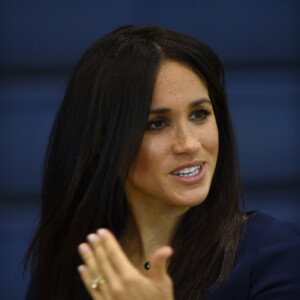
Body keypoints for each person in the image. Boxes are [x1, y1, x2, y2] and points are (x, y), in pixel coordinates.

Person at [24, 25, 300, 300]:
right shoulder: (71, 266)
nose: (189, 144)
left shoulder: (275, 251)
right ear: (101, 143)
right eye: (156, 124)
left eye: (200, 114)